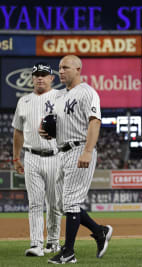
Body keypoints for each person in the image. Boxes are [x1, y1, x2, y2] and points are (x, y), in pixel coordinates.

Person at [40, 55, 113, 264]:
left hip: (80, 148)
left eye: (65, 67)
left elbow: (95, 122)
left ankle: (69, 252)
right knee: (64, 203)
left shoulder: (88, 92)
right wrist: (45, 129)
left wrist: (88, 151)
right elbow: (53, 123)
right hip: (62, 151)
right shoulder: (60, 96)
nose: (61, 71)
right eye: (59, 68)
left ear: (78, 69)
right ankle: (100, 232)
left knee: (71, 202)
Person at [12, 62, 63, 256]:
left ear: (52, 78)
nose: (40, 77)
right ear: (32, 79)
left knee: (54, 203)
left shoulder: (61, 97)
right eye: (37, 75)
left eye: (44, 74)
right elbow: (17, 131)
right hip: (31, 156)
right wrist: (16, 158)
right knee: (34, 202)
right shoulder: (23, 101)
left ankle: (53, 241)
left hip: (54, 156)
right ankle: (36, 244)